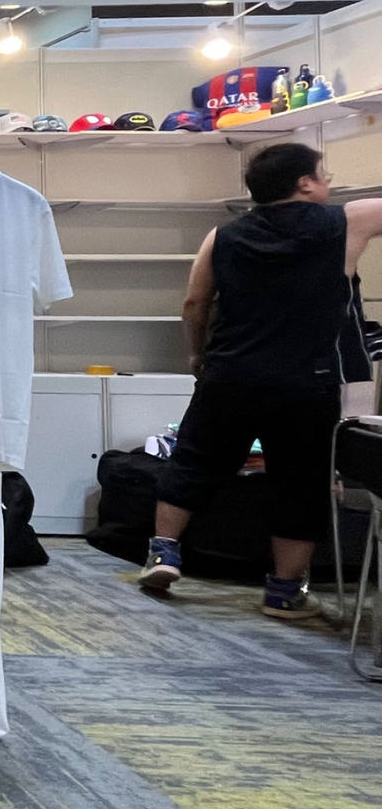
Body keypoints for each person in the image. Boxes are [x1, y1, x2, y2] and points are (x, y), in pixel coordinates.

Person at [139, 143, 382, 617]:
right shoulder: (345, 222)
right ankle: (284, 592)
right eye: (324, 175)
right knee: (300, 484)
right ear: (305, 183)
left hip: (230, 373)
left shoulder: (222, 235)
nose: (329, 184)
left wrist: (198, 354)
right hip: (307, 383)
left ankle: (164, 553)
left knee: (194, 462)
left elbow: (195, 303)